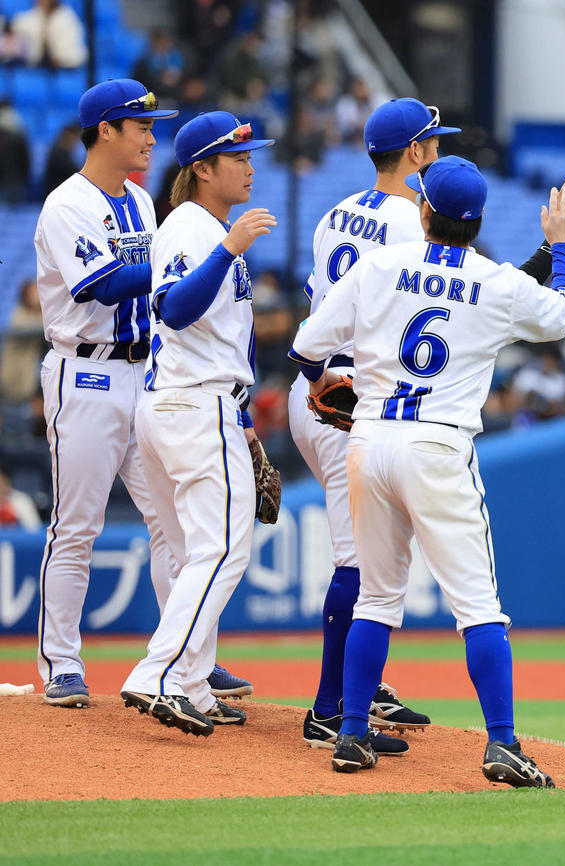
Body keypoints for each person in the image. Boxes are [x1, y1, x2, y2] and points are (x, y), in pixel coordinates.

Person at [289, 156, 565, 785]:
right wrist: (561, 247)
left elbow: (306, 347)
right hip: (439, 446)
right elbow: (563, 316)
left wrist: (323, 382)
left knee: (376, 594)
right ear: (475, 223)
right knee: (478, 605)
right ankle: (502, 743)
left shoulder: (378, 264)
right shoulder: (497, 281)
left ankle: (351, 731)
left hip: (369, 440)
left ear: (424, 211)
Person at [288, 98, 461, 754]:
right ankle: (331, 712)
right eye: (433, 143)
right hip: (352, 399)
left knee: (378, 555)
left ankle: (366, 685)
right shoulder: (412, 225)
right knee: (359, 562)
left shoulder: (337, 212)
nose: (437, 152)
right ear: (414, 152)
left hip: (319, 384)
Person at [119, 111, 277, 736]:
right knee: (222, 548)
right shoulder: (192, 227)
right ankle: (157, 675)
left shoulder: (200, 226)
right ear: (202, 169)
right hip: (190, 406)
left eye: (250, 155)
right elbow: (177, 309)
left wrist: (242, 420)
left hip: (185, 405)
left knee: (191, 552)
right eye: (236, 158)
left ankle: (191, 684)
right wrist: (229, 249)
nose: (250, 166)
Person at [31, 79, 181, 710]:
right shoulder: (67, 204)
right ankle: (61, 664)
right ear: (106, 131)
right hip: (85, 373)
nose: (152, 137)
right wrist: (188, 256)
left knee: (173, 522)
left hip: (141, 373)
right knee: (77, 526)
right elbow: (106, 285)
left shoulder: (141, 203)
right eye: (140, 126)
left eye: (152, 126)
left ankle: (183, 653)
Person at [10, 0, 87, 69]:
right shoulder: (35, 15)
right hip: (39, 65)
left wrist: (60, 58)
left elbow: (72, 50)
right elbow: (17, 24)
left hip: (66, 67)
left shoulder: (67, 18)